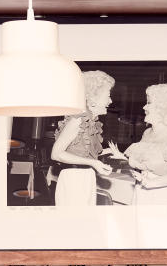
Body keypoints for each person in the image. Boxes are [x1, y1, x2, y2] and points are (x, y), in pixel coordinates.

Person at [108, 83, 167, 205]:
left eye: (149, 103)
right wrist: (122, 157)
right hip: (142, 189)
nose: (144, 107)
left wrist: (152, 183)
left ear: (163, 108)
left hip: (164, 194)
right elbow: (147, 163)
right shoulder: (147, 133)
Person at [50, 70, 117, 206]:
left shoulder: (92, 122)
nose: (110, 101)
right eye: (108, 96)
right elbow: (56, 154)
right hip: (73, 180)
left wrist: (107, 153)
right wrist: (93, 163)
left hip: (87, 177)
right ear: (92, 97)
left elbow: (80, 152)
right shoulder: (77, 120)